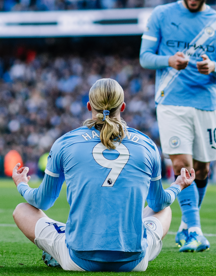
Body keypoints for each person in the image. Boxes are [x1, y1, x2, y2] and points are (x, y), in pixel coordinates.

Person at [11, 78, 195, 272]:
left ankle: (62, 246)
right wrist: (178, 185)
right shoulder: (147, 145)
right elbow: (159, 203)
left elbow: (42, 201)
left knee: (22, 210)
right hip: (134, 262)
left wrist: (21, 184)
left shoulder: (65, 142)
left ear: (89, 105)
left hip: (79, 259)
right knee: (164, 210)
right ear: (122, 106)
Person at [138, 0, 216, 252]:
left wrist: (213, 67)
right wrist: (169, 60)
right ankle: (195, 230)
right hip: (171, 102)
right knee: (182, 165)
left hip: (205, 104)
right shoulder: (161, 14)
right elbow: (144, 57)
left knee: (202, 170)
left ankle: (185, 225)